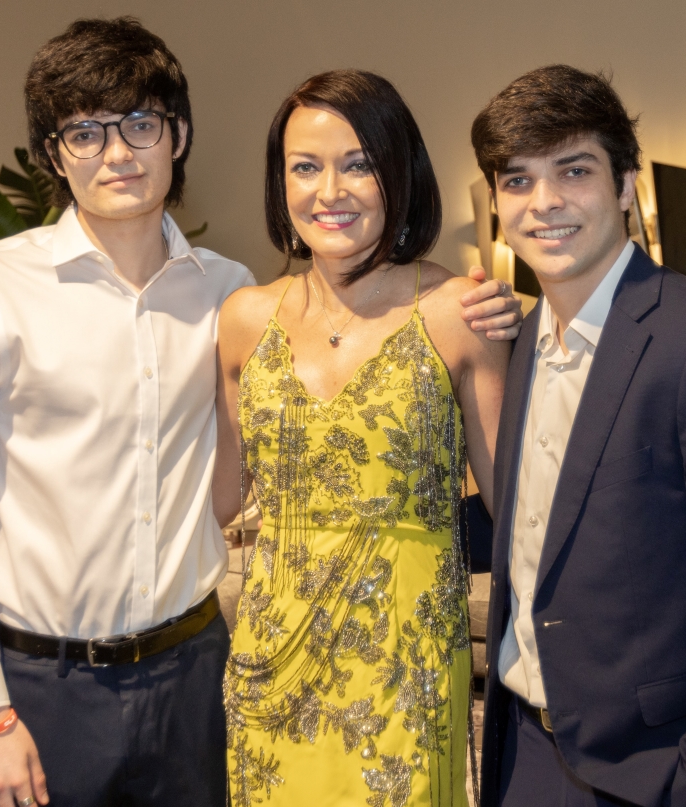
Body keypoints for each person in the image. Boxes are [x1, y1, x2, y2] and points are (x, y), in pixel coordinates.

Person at [0, 20, 520, 807]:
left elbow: (242, 474)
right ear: (55, 153)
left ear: (179, 134)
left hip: (198, 669)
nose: (118, 153)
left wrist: (505, 311)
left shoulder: (229, 294)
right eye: (84, 132)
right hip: (48, 682)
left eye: (140, 123)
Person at [467, 64, 686, 807]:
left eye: (574, 170)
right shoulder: (529, 338)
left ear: (627, 183)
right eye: (518, 180)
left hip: (656, 771)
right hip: (525, 753)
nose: (546, 202)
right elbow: (545, 525)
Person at [214, 69, 510, 807]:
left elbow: (516, 502)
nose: (329, 191)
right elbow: (218, 494)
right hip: (269, 660)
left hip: (402, 669)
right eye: (305, 167)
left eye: (358, 164)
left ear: (400, 172)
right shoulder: (244, 318)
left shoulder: (458, 310)